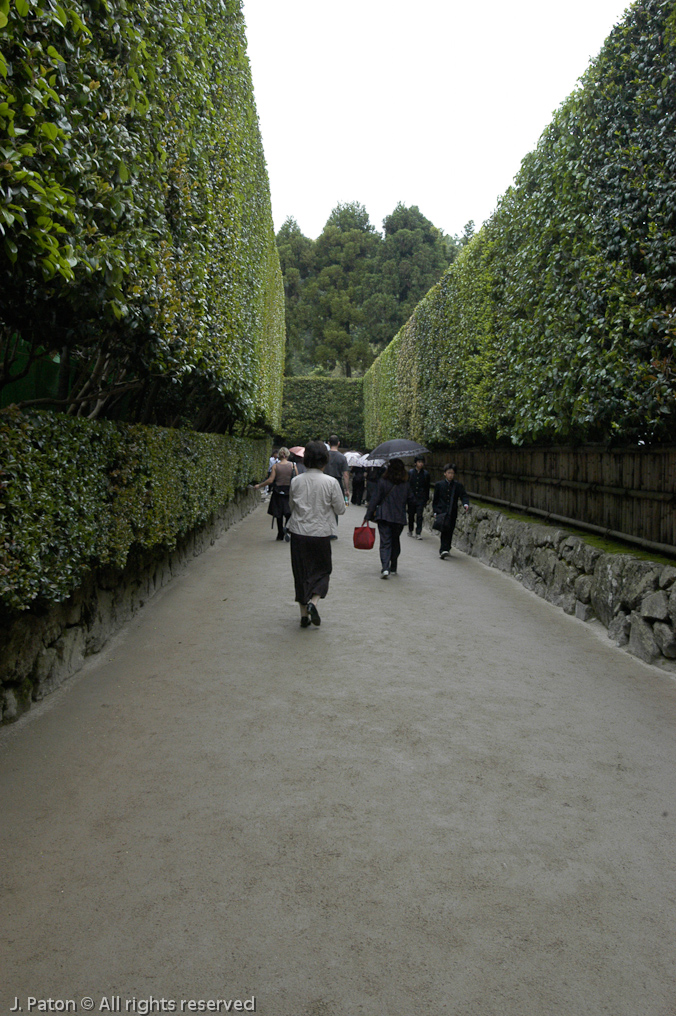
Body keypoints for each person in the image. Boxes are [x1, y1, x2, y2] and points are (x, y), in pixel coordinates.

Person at [287, 440, 346, 627]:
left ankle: (303, 614)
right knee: (322, 571)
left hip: (298, 532)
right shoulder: (330, 482)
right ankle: (313, 603)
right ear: (325, 460)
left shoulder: (296, 481)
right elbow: (340, 509)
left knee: (301, 572)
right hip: (321, 533)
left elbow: (292, 506)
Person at [364, 457, 412, 578]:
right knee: (395, 540)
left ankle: (385, 567)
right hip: (399, 517)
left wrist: (368, 515)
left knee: (385, 542)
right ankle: (394, 566)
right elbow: (412, 500)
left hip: (384, 515)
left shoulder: (383, 482)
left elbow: (375, 499)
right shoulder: (406, 484)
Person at [253, 447, 297, 541]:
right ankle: (287, 528)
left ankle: (280, 533)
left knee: (278, 513)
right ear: (288, 455)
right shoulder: (293, 466)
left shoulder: (275, 466)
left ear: (279, 456)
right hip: (289, 492)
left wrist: (259, 485)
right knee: (289, 512)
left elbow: (270, 480)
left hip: (278, 492)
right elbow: (297, 480)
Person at [432, 463, 470, 559]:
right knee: (444, 530)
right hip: (442, 511)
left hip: (452, 512)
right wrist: (435, 511)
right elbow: (435, 500)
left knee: (450, 530)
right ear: (445, 473)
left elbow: (463, 495)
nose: (451, 475)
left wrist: (465, 504)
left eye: (452, 473)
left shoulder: (457, 486)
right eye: (449, 473)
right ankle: (443, 549)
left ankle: (447, 547)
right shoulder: (439, 485)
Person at [407, 456, 431, 539]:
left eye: (422, 462)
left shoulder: (425, 474)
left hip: (421, 498)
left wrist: (426, 498)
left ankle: (418, 532)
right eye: (419, 462)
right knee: (411, 514)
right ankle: (410, 529)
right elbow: (408, 485)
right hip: (412, 497)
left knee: (420, 515)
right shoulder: (410, 473)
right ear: (415, 463)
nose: (421, 464)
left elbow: (427, 487)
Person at [325, 435, 350, 501]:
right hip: (337, 483)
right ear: (338, 443)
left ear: (329, 443)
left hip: (325, 482)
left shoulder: (324, 456)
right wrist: (347, 489)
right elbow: (346, 475)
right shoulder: (342, 457)